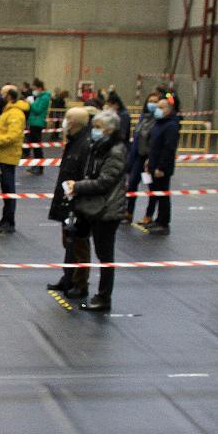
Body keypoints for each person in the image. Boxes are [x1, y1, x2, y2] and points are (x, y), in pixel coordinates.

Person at [62, 110, 127, 312]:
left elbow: (104, 181)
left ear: (110, 130)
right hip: (93, 207)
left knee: (105, 256)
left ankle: (104, 297)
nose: (94, 131)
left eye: (98, 127)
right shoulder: (97, 147)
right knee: (86, 245)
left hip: (107, 210)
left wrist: (77, 186)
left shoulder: (116, 151)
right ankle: (84, 285)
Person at [47, 108, 94, 299]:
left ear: (74, 123)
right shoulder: (73, 142)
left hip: (78, 202)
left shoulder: (85, 145)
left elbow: (84, 176)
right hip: (66, 200)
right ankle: (68, 276)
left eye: (67, 118)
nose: (64, 122)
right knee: (68, 241)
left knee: (80, 243)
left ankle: (80, 283)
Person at [0, 85, 28, 234]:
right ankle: (5, 219)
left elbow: (13, 136)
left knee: (9, 190)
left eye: (2, 94)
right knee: (5, 190)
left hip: (8, 156)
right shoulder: (8, 111)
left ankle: (10, 222)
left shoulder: (15, 113)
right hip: (2, 155)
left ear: (9, 96)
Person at [144, 97, 181, 235]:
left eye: (161, 107)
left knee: (163, 195)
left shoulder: (171, 126)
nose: (157, 110)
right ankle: (158, 220)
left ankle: (164, 223)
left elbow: (168, 149)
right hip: (153, 164)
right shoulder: (158, 123)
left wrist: (161, 167)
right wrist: (149, 160)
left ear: (169, 110)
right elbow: (153, 145)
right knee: (157, 194)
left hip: (162, 168)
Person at [125, 91, 160, 222]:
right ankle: (128, 212)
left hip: (149, 159)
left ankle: (149, 215)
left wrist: (151, 159)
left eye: (155, 102)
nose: (152, 104)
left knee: (151, 187)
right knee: (132, 184)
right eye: (150, 101)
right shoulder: (143, 118)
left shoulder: (158, 121)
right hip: (138, 157)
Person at [25, 79, 52, 175]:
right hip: (34, 122)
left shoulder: (44, 98)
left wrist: (30, 103)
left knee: (37, 147)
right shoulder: (40, 97)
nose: (34, 90)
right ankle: (36, 165)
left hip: (37, 123)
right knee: (34, 146)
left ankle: (40, 167)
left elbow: (38, 110)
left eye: (35, 88)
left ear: (40, 88)